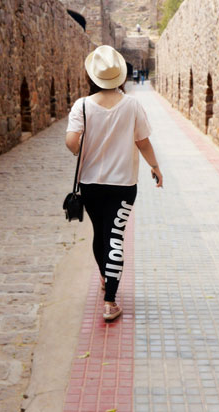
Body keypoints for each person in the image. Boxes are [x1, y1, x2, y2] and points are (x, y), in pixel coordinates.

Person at [66, 45, 163, 322]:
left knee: (101, 234)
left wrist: (83, 142)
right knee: (116, 235)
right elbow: (143, 142)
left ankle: (106, 277)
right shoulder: (132, 105)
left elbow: (72, 143)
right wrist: (155, 167)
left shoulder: (81, 106)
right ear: (119, 76)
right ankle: (110, 302)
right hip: (123, 185)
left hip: (91, 183)